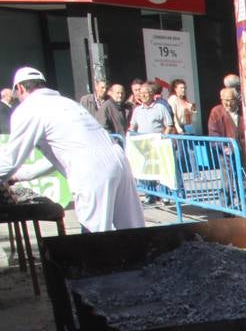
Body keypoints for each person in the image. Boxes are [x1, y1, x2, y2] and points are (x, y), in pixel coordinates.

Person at [0, 67, 142, 232]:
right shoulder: (69, 103)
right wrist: (20, 176)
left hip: (91, 170)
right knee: (134, 233)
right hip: (119, 160)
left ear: (20, 88)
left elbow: (11, 159)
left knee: (97, 238)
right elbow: (65, 153)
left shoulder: (28, 109)